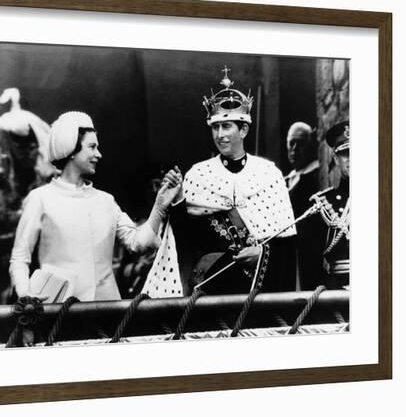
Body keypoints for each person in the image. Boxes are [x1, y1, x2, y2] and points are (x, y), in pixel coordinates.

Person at [143, 66, 296, 297]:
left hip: (259, 287)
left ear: (243, 130)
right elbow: (187, 240)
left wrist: (261, 254)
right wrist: (178, 199)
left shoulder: (268, 173)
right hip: (214, 285)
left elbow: (287, 242)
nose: (220, 135)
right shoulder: (198, 174)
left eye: (226, 126)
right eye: (215, 127)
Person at [8, 111, 180, 302]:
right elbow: (19, 259)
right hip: (57, 312)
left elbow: (137, 243)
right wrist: (25, 294)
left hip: (106, 312)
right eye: (92, 147)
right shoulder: (40, 198)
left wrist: (159, 206)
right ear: (71, 150)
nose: (99, 154)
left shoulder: (106, 201)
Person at [284, 122, 326, 290]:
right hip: (289, 254)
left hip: (309, 252)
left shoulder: (316, 175)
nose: (294, 149)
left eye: (300, 143)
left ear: (311, 145)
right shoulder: (288, 180)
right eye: (291, 143)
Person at [311, 120, 350, 289]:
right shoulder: (322, 205)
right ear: (336, 158)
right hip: (339, 295)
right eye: (346, 153)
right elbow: (311, 270)